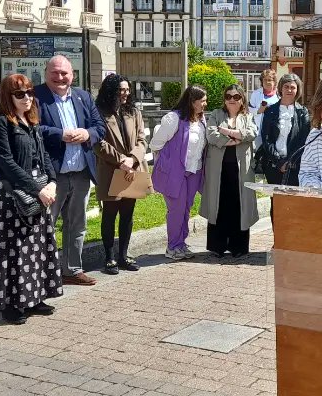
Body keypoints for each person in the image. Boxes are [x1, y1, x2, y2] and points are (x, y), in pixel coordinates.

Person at [0, 74, 62, 324]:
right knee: (15, 250)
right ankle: (13, 305)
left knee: (38, 247)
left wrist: (52, 181)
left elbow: (44, 155)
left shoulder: (31, 121)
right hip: (14, 196)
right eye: (20, 94)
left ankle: (35, 297)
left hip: (39, 190)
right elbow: (6, 162)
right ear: (8, 96)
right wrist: (36, 189)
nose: (27, 98)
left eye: (30, 92)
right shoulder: (0, 122)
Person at [34, 55, 105, 286]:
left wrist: (87, 134)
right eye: (54, 73)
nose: (60, 77)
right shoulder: (35, 97)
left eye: (64, 73)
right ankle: (42, 274)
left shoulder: (83, 97)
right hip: (53, 177)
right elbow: (32, 128)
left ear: (72, 75)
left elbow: (99, 126)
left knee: (77, 224)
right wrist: (60, 134)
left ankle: (72, 270)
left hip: (81, 172)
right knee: (46, 225)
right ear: (46, 73)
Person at [94, 73, 146, 275]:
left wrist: (132, 159)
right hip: (111, 169)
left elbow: (142, 139)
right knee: (110, 213)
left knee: (127, 213)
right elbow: (98, 143)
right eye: (120, 90)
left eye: (126, 89)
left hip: (132, 169)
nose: (124, 93)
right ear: (110, 91)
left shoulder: (133, 111)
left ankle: (124, 255)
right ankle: (109, 257)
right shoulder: (99, 112)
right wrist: (120, 160)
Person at [151, 85, 207, 260]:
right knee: (176, 209)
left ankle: (181, 243)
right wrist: (168, 161)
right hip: (175, 173)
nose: (205, 104)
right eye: (202, 101)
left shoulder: (201, 119)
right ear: (192, 102)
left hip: (194, 170)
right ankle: (172, 246)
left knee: (186, 208)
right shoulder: (173, 119)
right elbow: (156, 144)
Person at [202, 84, 259, 257]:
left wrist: (226, 131)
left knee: (239, 206)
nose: (232, 100)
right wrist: (234, 139)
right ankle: (217, 246)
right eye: (228, 96)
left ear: (242, 99)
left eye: (236, 97)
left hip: (242, 170)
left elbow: (252, 133)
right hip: (218, 169)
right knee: (219, 205)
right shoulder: (216, 114)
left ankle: (238, 247)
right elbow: (211, 134)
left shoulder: (248, 116)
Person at [255, 73, 310, 186]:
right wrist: (278, 161)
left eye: (292, 87)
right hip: (273, 165)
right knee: (275, 196)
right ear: (280, 88)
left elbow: (304, 140)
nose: (289, 90)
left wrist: (290, 161)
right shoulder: (270, 110)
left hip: (294, 166)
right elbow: (266, 138)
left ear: (297, 90)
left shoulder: (302, 112)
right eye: (286, 87)